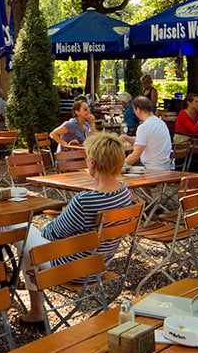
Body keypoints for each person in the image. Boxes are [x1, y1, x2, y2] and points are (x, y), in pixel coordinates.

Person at [16, 133, 133, 331]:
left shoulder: (86, 201)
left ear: (93, 162)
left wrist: (56, 221)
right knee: (30, 245)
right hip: (99, 265)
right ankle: (32, 297)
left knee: (21, 231)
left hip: (74, 269)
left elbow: (52, 233)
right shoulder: (124, 193)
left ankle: (34, 307)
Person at [124, 97, 171, 171]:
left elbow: (135, 157)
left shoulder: (144, 127)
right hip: (165, 167)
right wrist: (126, 137)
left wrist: (117, 167)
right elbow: (146, 140)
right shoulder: (160, 123)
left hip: (152, 169)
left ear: (138, 110)